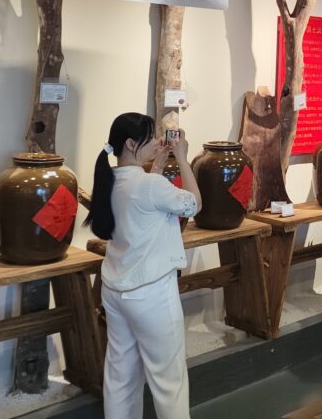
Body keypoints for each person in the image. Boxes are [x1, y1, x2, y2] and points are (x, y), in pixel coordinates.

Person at [86, 113, 202, 419]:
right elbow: (194, 203)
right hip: (152, 294)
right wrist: (183, 158)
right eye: (150, 138)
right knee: (169, 381)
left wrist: (159, 162)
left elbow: (143, 198)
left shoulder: (110, 180)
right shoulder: (150, 185)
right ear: (130, 143)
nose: (157, 142)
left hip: (115, 290)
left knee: (120, 376)